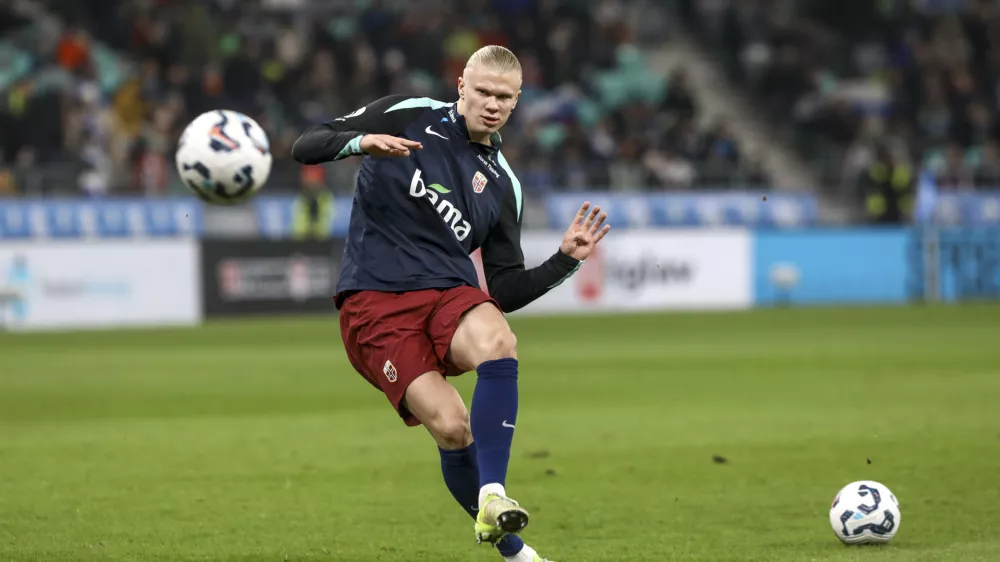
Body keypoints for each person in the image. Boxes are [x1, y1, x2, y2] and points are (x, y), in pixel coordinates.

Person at [291, 45, 609, 562]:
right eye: (482, 91)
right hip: (374, 300)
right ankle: (517, 553)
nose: (491, 104)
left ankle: (491, 492)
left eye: (503, 97)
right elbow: (306, 146)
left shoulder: (504, 184)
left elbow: (503, 289)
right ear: (461, 85)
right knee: (451, 427)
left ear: (517, 102)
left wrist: (564, 261)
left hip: (448, 292)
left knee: (498, 338)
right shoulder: (404, 112)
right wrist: (359, 142)